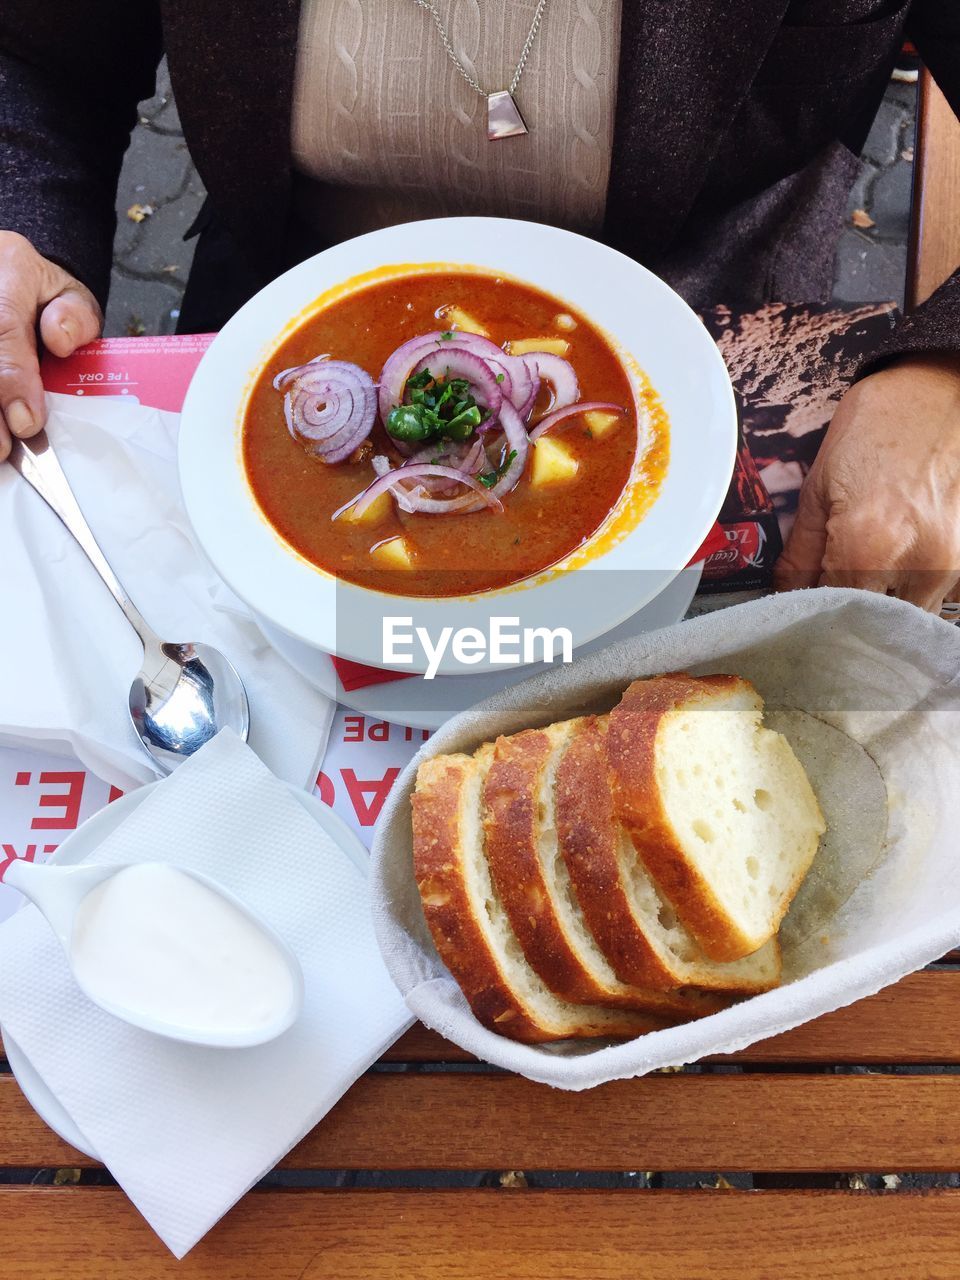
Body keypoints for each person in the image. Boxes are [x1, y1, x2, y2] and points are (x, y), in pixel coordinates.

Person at [1, 1, 959, 609]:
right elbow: (35, 61)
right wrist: (20, 233)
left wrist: (947, 364)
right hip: (286, 346)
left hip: (724, 361)